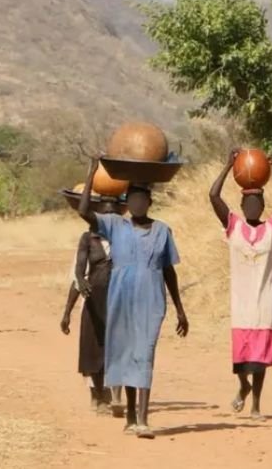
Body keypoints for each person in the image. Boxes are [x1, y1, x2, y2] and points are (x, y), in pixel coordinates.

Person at [78, 159, 189, 439]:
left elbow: (168, 271)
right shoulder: (115, 225)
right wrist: (91, 174)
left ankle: (143, 419)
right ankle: (129, 415)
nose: (138, 204)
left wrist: (180, 309)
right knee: (127, 354)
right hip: (121, 299)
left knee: (145, 354)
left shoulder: (162, 231)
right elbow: (84, 211)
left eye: (142, 200)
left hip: (151, 301)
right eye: (133, 200)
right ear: (127, 203)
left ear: (149, 202)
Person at [209, 149, 272, 421]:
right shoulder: (233, 226)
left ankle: (256, 406)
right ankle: (243, 386)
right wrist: (228, 166)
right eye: (248, 204)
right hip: (241, 304)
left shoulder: (271, 228)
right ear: (242, 206)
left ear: (262, 206)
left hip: (264, 302)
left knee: (260, 360)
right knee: (241, 359)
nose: (253, 208)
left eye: (257, 203)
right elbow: (213, 196)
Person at [60, 198, 124, 417]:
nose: (109, 219)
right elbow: (78, 276)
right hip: (94, 302)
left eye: (114, 215)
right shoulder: (88, 239)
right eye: (105, 215)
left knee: (116, 349)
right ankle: (97, 395)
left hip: (118, 302)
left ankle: (112, 395)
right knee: (94, 351)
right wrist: (67, 312)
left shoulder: (124, 239)